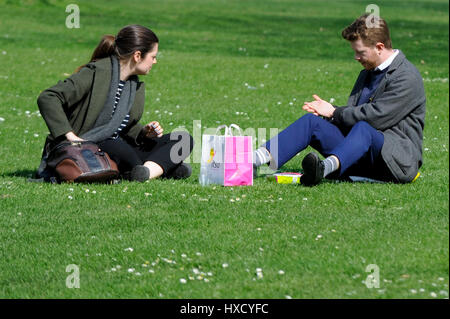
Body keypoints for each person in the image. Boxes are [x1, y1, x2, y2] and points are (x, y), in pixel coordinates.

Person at [253, 14, 426, 186]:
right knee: (311, 123)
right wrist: (330, 114)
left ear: (379, 47)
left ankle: (323, 169)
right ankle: (252, 161)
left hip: (396, 164)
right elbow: (353, 118)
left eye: (360, 52)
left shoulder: (407, 77)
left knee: (364, 128)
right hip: (360, 154)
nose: (356, 57)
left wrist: (335, 112)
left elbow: (375, 119)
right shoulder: (367, 72)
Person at [36, 24, 193, 182]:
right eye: (153, 56)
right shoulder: (94, 73)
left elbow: (122, 127)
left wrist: (144, 132)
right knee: (117, 146)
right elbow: (48, 97)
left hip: (120, 146)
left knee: (183, 140)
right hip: (91, 146)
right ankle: (161, 169)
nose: (155, 61)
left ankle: (145, 172)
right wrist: (70, 136)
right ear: (137, 56)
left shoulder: (132, 85)